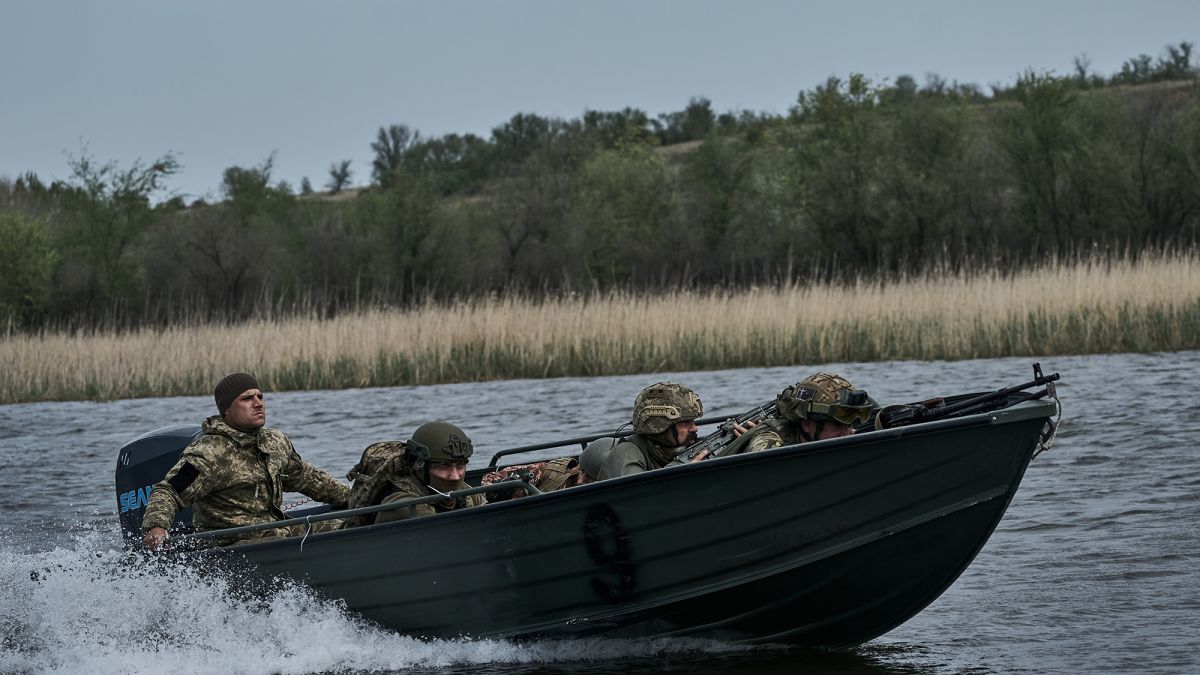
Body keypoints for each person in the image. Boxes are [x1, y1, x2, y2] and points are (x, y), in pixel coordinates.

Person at [141, 372, 350, 549]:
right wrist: (157, 527)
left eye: (260, 396)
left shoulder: (275, 441)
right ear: (227, 410)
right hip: (233, 545)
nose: (258, 403)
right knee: (281, 544)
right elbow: (169, 491)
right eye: (247, 398)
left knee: (346, 528)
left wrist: (354, 497)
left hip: (278, 532)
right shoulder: (208, 453)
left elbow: (307, 478)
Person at [728, 372, 876, 455]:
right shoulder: (768, 441)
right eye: (837, 425)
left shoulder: (842, 438)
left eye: (850, 424)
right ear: (807, 423)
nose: (847, 433)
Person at [374, 421, 487, 523]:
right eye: (444, 466)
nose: (455, 476)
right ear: (420, 466)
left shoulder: (465, 494)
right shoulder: (404, 506)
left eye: (460, 465)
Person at [596, 382, 704, 479]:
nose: (694, 428)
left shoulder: (668, 449)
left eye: (693, 421)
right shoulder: (626, 453)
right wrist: (681, 465)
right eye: (686, 422)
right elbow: (642, 492)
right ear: (660, 426)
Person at [479, 439, 606, 500]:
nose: (580, 481)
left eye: (589, 478)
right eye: (582, 472)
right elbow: (489, 479)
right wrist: (507, 487)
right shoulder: (545, 471)